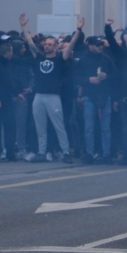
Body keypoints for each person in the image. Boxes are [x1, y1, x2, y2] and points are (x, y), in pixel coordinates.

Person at [21, 14, 80, 163]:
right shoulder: (39, 57)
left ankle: (66, 152)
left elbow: (71, 45)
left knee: (59, 126)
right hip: (39, 96)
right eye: (45, 44)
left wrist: (78, 30)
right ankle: (41, 152)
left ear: (55, 47)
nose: (46, 46)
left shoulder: (60, 58)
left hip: (53, 96)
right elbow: (30, 43)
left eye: (50, 44)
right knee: (40, 126)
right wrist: (24, 27)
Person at [78, 37, 115, 164]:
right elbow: (76, 77)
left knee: (106, 128)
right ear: (90, 46)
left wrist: (107, 76)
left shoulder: (107, 59)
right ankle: (89, 153)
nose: (100, 47)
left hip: (105, 96)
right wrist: (89, 80)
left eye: (101, 45)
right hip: (89, 96)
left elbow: (116, 76)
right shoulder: (83, 60)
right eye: (97, 45)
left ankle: (107, 154)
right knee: (89, 127)